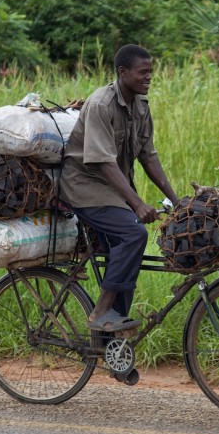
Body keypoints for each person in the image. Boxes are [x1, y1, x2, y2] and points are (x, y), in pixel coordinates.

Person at [58, 44, 178, 332]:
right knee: (133, 233)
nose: (149, 78)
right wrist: (137, 203)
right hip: (85, 188)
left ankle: (112, 339)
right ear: (123, 72)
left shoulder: (140, 105)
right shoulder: (101, 105)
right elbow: (103, 163)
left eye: (151, 72)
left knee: (125, 253)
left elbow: (148, 156)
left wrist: (177, 200)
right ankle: (100, 312)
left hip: (112, 190)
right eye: (143, 72)